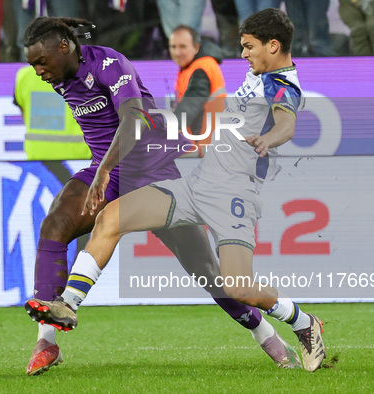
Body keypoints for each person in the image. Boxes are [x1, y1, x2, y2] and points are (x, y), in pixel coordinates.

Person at [25, 9, 327, 372]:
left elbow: (286, 122)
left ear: (273, 46)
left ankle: (293, 326)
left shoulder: (281, 83)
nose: (243, 54)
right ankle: (59, 319)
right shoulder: (259, 74)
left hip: (210, 186)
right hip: (195, 180)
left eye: (248, 47)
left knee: (227, 283)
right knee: (103, 219)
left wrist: (268, 139)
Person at [168, 24, 227, 156]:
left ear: (196, 47)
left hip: (203, 147)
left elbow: (191, 105)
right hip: (203, 146)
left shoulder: (201, 69)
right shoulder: (192, 67)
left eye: (182, 46)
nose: (177, 52)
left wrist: (168, 130)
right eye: (173, 47)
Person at [13, 65, 91, 160]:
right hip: (80, 158)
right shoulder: (86, 74)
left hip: (37, 158)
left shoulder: (24, 75)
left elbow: (23, 111)